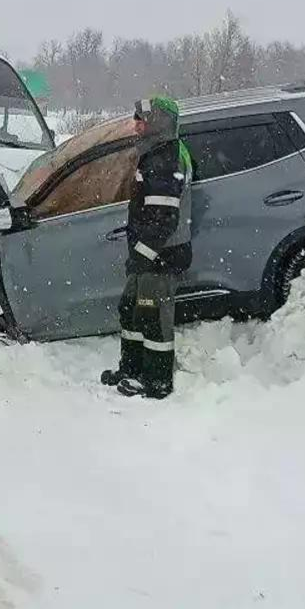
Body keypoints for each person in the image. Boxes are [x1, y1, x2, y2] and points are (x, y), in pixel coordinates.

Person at [100, 96, 194, 399]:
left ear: (158, 122)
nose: (136, 125)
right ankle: (132, 368)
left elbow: (164, 220)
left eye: (141, 119)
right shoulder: (155, 153)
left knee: (153, 317)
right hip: (148, 254)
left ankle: (157, 381)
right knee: (131, 309)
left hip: (161, 255)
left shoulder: (165, 159)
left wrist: (142, 254)